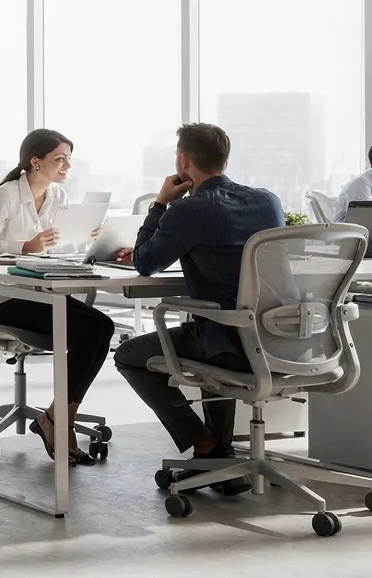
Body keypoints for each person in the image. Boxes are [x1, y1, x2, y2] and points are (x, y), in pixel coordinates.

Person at [112, 123, 283, 495]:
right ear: (225, 160)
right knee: (213, 334)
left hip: (228, 342)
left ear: (183, 161)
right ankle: (222, 459)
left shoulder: (187, 210)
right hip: (276, 338)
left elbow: (145, 262)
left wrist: (160, 204)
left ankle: (205, 446)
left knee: (128, 355)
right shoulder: (268, 201)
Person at [0, 129, 117, 465]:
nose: (67, 166)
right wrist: (24, 246)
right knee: (89, 329)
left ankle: (55, 417)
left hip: (38, 292)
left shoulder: (57, 196)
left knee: (103, 327)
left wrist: (92, 238)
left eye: (68, 159)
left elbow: (61, 243)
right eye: (59, 159)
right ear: (36, 162)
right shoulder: (5, 195)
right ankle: (58, 423)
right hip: (0, 298)